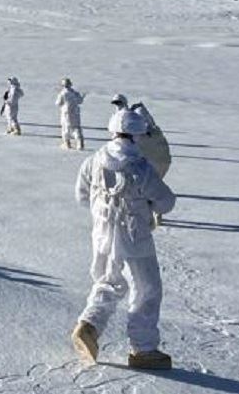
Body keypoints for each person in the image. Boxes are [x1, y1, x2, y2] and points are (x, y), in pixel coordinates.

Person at [71, 109, 178, 371]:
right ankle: (143, 349)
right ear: (138, 135)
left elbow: (81, 196)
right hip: (134, 238)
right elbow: (166, 202)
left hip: (102, 236)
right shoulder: (141, 167)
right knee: (146, 289)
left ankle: (89, 326)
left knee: (108, 282)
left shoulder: (93, 161)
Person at [56, 78, 86, 150]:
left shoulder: (62, 93)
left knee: (66, 129)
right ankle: (80, 143)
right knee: (76, 128)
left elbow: (58, 103)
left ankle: (67, 143)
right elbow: (80, 101)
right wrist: (82, 97)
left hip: (66, 114)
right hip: (75, 113)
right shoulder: (75, 93)